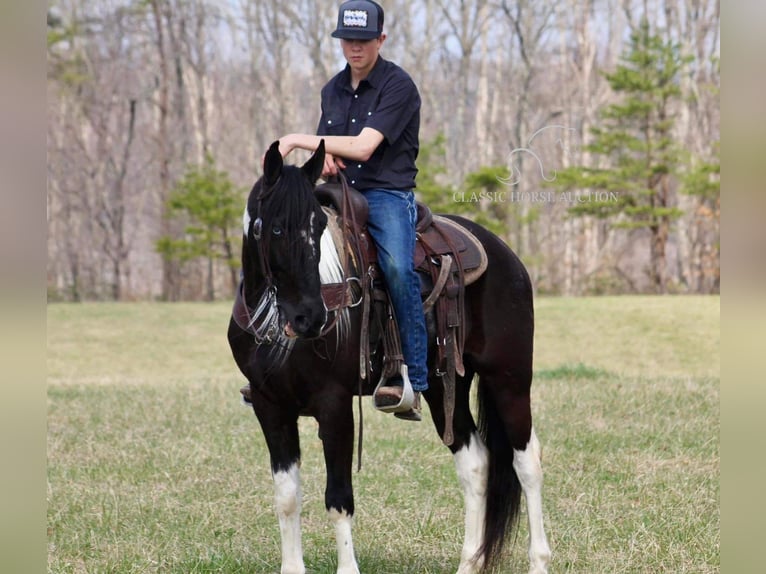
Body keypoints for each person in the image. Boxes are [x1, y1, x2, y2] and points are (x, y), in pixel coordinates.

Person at [275, 0, 428, 421]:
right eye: (348, 39)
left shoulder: (399, 86)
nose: (354, 48)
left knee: (397, 268)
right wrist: (322, 155)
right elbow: (332, 149)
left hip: (385, 194)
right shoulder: (333, 89)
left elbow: (362, 146)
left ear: (381, 39)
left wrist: (296, 139)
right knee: (284, 246)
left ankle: (415, 377)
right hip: (335, 192)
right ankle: (276, 360)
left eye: (363, 40)